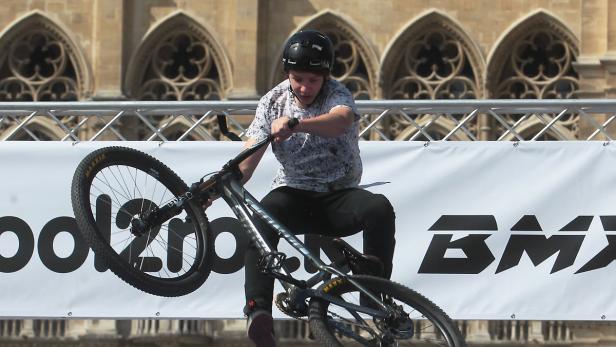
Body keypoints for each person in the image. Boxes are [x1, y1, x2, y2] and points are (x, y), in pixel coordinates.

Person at [237, 29, 396, 347]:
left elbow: (340, 121)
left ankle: (375, 295)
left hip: (338, 195)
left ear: (325, 77)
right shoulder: (272, 102)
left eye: (313, 80)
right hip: (293, 194)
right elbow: (249, 158)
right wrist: (219, 188)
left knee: (379, 208)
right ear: (287, 73)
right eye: (298, 79)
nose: (305, 87)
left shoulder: (338, 94)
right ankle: (258, 312)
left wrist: (297, 123)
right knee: (258, 217)